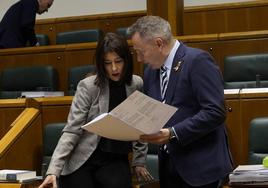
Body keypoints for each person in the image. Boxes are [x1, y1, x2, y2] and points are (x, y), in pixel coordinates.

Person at [127, 16, 233, 188]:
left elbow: (215, 111)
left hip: (201, 169)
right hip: (169, 169)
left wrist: (173, 133)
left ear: (159, 43)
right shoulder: (150, 72)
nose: (139, 59)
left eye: (141, 52)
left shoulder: (197, 61)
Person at [38, 33, 152, 188]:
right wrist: (53, 170)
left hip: (114, 158)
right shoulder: (88, 86)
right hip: (83, 159)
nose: (114, 68)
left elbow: (139, 126)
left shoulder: (136, 84)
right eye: (107, 63)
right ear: (101, 64)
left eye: (118, 61)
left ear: (126, 60)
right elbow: (72, 130)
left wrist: (139, 161)